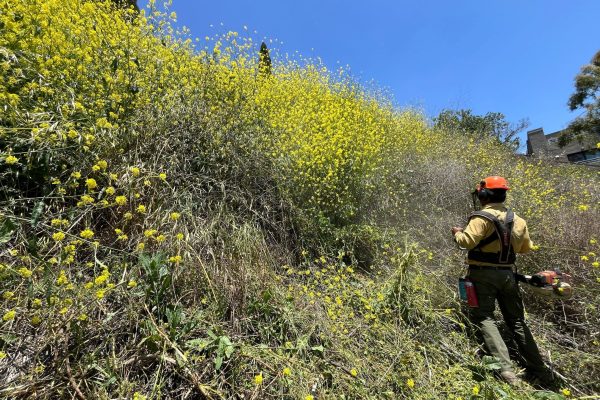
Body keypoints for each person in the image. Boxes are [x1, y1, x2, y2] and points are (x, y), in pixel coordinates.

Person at [451, 176, 553, 387]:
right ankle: (539, 369)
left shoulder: (481, 218)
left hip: (482, 275)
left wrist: (458, 233)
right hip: (508, 276)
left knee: (484, 316)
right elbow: (525, 248)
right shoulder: (518, 220)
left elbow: (466, 242)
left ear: (483, 194)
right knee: (516, 320)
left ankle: (506, 370)